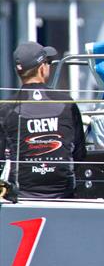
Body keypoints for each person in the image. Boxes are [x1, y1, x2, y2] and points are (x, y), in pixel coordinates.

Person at [0, 42, 86, 199]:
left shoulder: (6, 108)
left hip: (21, 197)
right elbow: (80, 152)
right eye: (48, 63)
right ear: (42, 68)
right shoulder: (66, 102)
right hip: (63, 195)